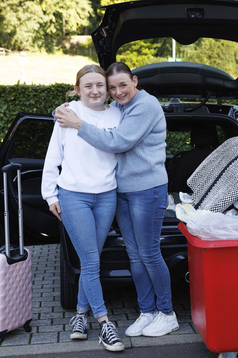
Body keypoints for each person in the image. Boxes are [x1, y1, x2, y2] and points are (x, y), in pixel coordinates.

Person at [55, 62, 179, 338]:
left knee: (149, 253)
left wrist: (77, 123)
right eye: (113, 87)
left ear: (135, 81)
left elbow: (118, 142)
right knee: (134, 254)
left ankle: (167, 313)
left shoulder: (145, 106)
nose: (118, 91)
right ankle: (147, 312)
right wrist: (66, 110)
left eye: (123, 84)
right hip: (122, 190)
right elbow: (93, 110)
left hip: (147, 189)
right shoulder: (121, 107)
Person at [41, 64, 124, 352]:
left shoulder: (118, 113)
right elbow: (54, 156)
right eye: (87, 85)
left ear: (108, 88)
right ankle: (104, 323)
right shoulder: (67, 113)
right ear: (77, 89)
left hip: (106, 196)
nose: (95, 90)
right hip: (74, 196)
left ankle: (79, 314)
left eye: (100, 85)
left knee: (93, 258)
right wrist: (50, 195)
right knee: (91, 261)